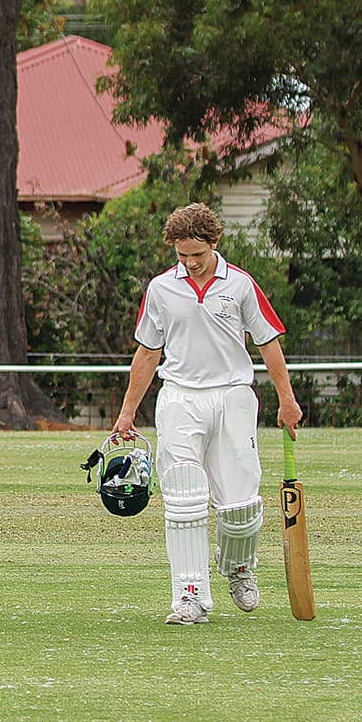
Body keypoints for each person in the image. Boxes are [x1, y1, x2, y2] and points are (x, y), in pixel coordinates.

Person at [112, 203, 302, 625]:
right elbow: (147, 352)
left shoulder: (240, 285)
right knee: (183, 496)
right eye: (182, 256)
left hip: (233, 395)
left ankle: (238, 567)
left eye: (197, 254)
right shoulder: (161, 289)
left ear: (214, 244)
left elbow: (268, 343)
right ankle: (189, 595)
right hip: (180, 397)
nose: (191, 263)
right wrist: (127, 412)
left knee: (240, 506)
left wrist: (287, 400)